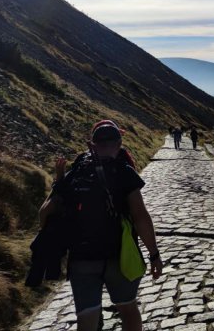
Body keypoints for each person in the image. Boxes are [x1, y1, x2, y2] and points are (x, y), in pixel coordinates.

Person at [38, 121, 163, 331]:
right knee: (128, 310)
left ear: (92, 144)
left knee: (86, 320)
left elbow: (44, 213)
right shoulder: (124, 172)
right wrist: (153, 254)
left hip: (81, 260)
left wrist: (59, 181)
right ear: (119, 144)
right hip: (119, 257)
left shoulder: (76, 172)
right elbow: (140, 216)